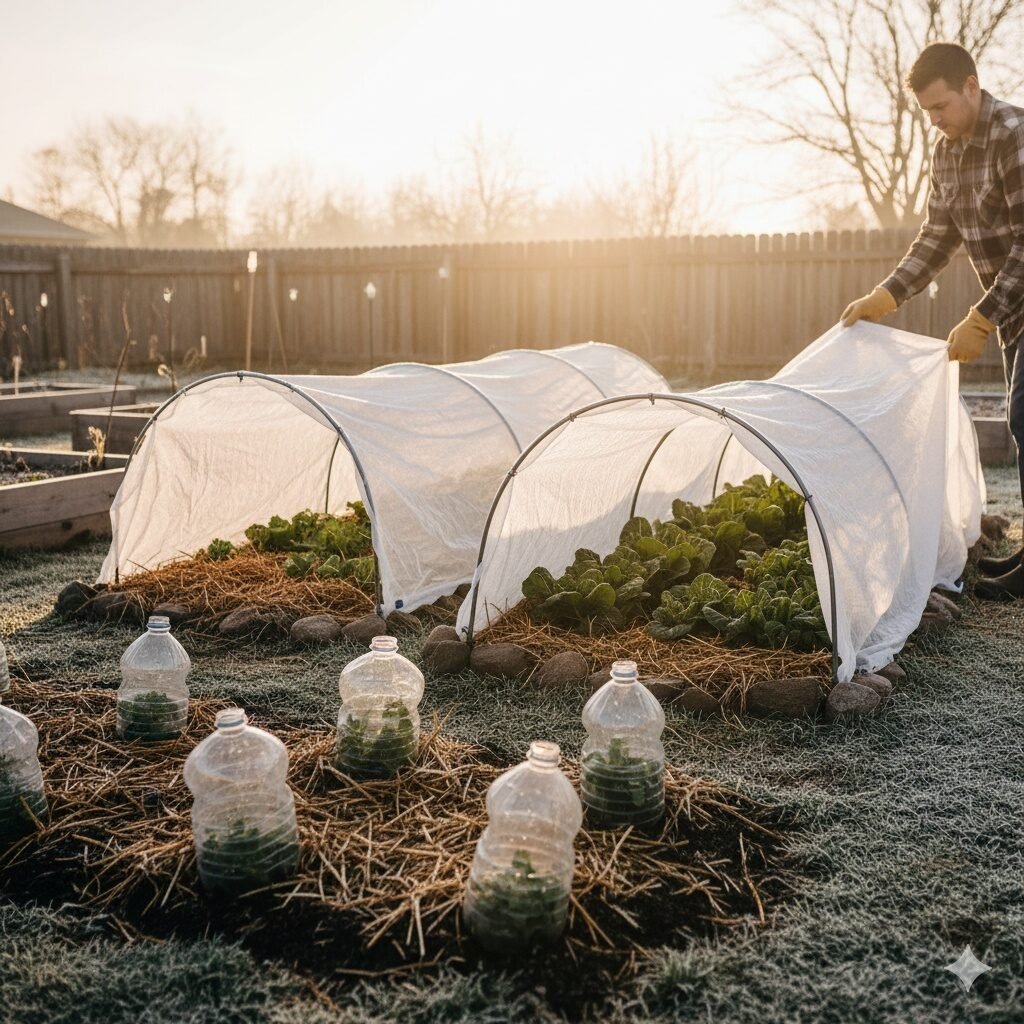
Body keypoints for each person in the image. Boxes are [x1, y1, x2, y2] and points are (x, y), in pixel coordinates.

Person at [841, 42, 1024, 600]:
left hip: (1009, 303)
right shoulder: (947, 153)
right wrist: (888, 293)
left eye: (941, 106)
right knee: (1022, 426)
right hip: (1016, 312)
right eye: (927, 111)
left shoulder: (1014, 136)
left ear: (972, 85)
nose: (935, 120)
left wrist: (981, 316)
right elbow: (938, 236)